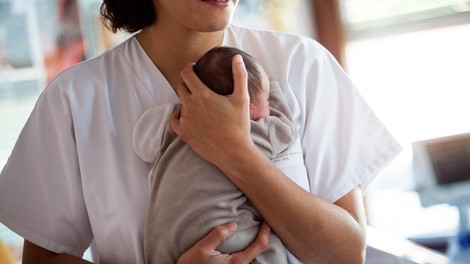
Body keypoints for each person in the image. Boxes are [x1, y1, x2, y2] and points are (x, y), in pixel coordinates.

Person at [0, 0, 402, 263]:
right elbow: (44, 260)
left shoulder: (302, 65)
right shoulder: (75, 99)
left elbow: (347, 252)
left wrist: (236, 153)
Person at [135, 46, 294, 264]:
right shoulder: (254, 131)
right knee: (271, 245)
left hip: (161, 247)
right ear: (247, 109)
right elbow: (287, 131)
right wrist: (273, 90)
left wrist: (176, 109)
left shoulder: (177, 122)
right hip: (224, 239)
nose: (268, 106)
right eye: (265, 101)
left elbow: (141, 144)